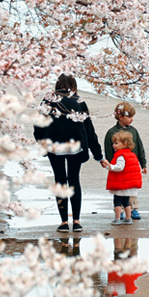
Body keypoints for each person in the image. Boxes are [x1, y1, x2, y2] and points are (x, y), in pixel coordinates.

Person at [33, 74, 102, 233]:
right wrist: (98, 154)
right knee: (74, 180)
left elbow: (38, 126)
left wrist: (41, 143)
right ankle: (76, 221)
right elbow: (89, 130)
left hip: (54, 146)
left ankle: (64, 222)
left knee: (60, 181)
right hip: (75, 146)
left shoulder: (47, 101)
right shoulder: (79, 101)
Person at [103, 101, 147, 220]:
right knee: (119, 189)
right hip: (118, 164)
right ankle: (119, 210)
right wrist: (109, 163)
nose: (131, 119)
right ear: (120, 117)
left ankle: (134, 208)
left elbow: (140, 147)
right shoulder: (112, 132)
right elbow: (108, 150)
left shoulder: (133, 131)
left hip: (132, 165)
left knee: (131, 188)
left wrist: (143, 163)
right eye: (129, 117)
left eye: (133, 117)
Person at [102, 130, 142, 225]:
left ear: (124, 144)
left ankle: (117, 218)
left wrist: (109, 166)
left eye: (116, 143)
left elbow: (119, 167)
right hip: (128, 184)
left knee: (117, 202)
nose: (113, 145)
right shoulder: (132, 155)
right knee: (126, 202)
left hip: (121, 184)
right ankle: (128, 218)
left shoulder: (121, 156)